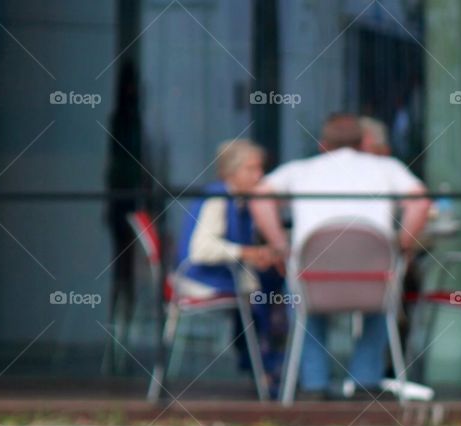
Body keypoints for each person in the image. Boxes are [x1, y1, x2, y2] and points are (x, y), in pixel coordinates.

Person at [251, 113, 431, 399]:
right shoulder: (386, 168)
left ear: (323, 145)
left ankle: (314, 385)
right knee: (384, 300)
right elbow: (420, 202)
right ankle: (365, 382)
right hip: (373, 280)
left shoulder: (300, 170)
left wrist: (281, 246)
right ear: (362, 143)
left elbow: (260, 197)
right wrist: (402, 245)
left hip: (314, 280)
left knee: (301, 301)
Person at [174, 140, 287, 384]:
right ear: (230, 172)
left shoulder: (239, 201)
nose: (259, 176)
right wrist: (249, 253)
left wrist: (257, 255)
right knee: (266, 289)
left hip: (224, 275)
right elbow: (202, 249)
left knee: (268, 282)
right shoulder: (219, 198)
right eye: (251, 169)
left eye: (260, 169)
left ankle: (261, 362)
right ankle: (264, 365)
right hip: (201, 277)